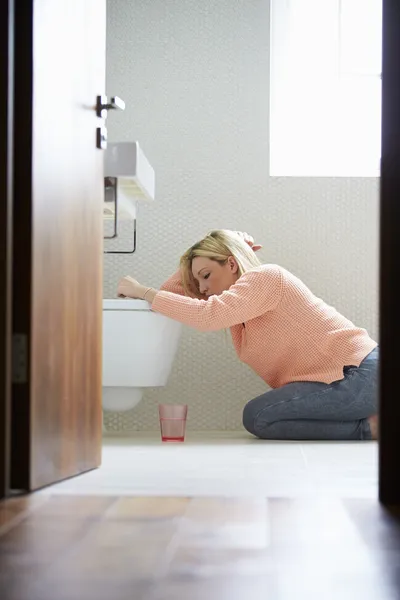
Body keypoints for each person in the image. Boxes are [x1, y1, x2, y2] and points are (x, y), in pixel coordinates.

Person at [117, 229, 379, 441]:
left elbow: (206, 316)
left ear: (231, 263)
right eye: (199, 281)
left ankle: (375, 428)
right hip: (341, 380)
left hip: (359, 374)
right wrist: (198, 260)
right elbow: (171, 297)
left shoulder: (265, 277)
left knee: (259, 415)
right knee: (260, 419)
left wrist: (142, 291)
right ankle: (373, 424)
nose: (202, 288)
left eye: (206, 276)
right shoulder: (238, 307)